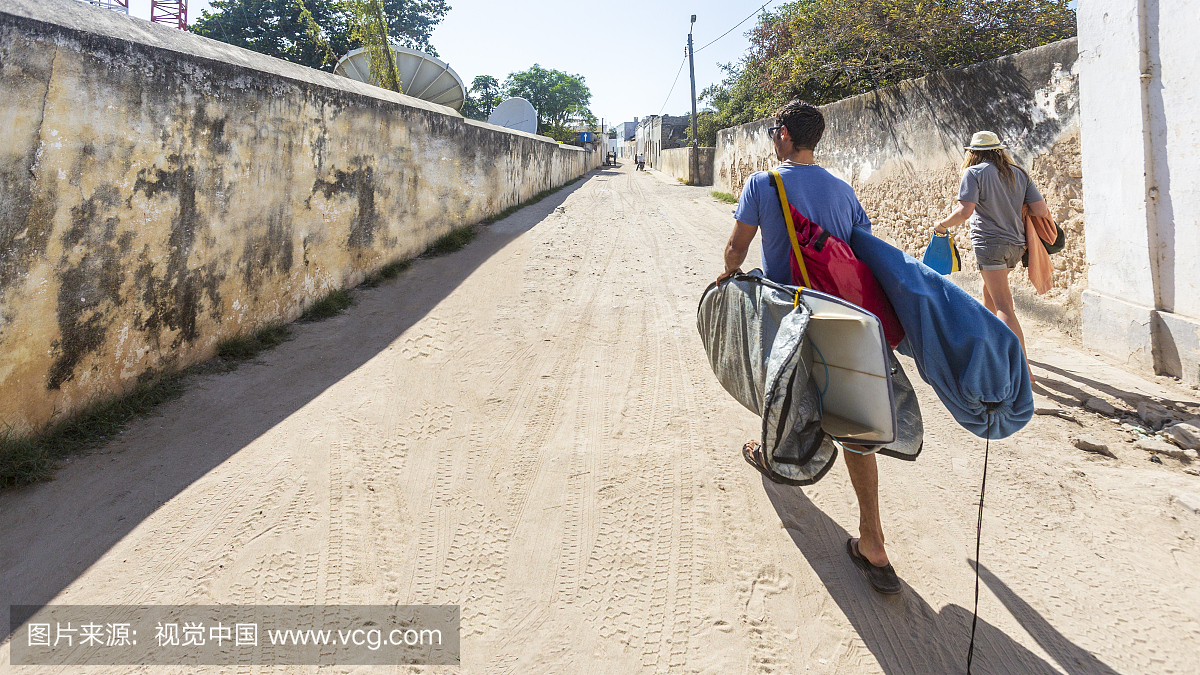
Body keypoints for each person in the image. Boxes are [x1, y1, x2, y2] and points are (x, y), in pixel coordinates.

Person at [718, 100, 901, 595]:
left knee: (778, 383)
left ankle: (776, 455)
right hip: (845, 320)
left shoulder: (763, 183)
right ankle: (874, 541)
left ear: (781, 135)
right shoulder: (843, 190)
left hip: (792, 312)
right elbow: (865, 253)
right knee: (855, 424)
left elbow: (738, 248)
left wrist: (728, 274)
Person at [934, 131, 1051, 383]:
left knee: (1003, 305)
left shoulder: (974, 173)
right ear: (998, 150)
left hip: (989, 244)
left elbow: (965, 212)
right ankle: (988, 349)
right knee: (989, 295)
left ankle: (1023, 370)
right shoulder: (1018, 173)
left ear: (973, 152)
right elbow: (1040, 209)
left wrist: (941, 226)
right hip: (1016, 245)